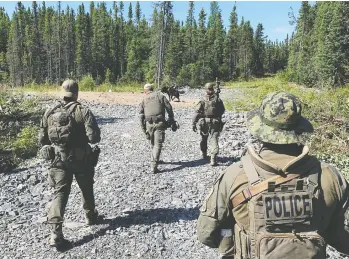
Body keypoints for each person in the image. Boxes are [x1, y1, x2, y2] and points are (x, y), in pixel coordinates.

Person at [197, 91, 349, 259]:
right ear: (299, 128)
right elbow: (341, 238)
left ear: (259, 128)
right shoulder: (331, 177)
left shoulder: (234, 175)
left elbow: (206, 234)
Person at [38, 79, 101, 248]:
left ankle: (56, 233)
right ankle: (91, 216)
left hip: (58, 161)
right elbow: (94, 138)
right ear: (77, 92)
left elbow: (42, 139)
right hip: (81, 160)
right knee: (86, 188)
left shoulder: (49, 111)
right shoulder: (83, 110)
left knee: (60, 194)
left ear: (62, 91)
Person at [139, 83, 175, 173]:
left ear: (145, 91)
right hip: (159, 123)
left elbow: (141, 116)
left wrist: (144, 130)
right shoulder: (160, 96)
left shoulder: (143, 99)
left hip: (148, 124)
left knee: (153, 143)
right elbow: (169, 108)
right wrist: (171, 119)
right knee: (158, 144)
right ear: (152, 89)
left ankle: (155, 160)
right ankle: (154, 165)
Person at [192, 82, 225, 166]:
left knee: (204, 138)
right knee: (214, 139)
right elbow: (222, 110)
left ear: (205, 90)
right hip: (215, 122)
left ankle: (204, 154)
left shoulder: (202, 100)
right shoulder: (217, 99)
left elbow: (197, 112)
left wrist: (193, 123)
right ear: (212, 89)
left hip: (204, 122)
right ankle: (213, 158)